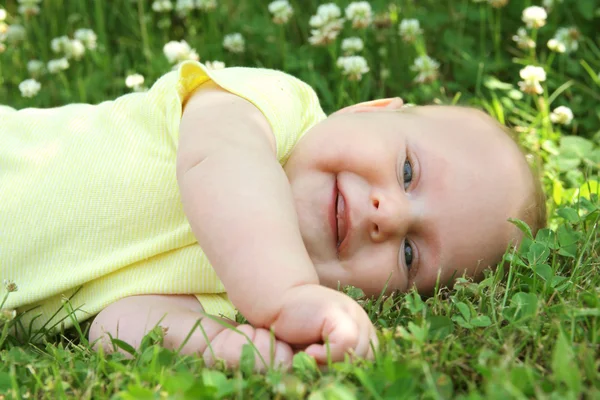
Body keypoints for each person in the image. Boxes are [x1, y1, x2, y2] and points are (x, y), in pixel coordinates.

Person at [0, 61, 545, 371]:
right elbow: (219, 161)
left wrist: (254, 350)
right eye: (407, 171)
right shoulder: (272, 107)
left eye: (409, 254)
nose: (390, 215)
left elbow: (116, 326)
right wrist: (285, 296)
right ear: (368, 111)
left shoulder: (242, 300)